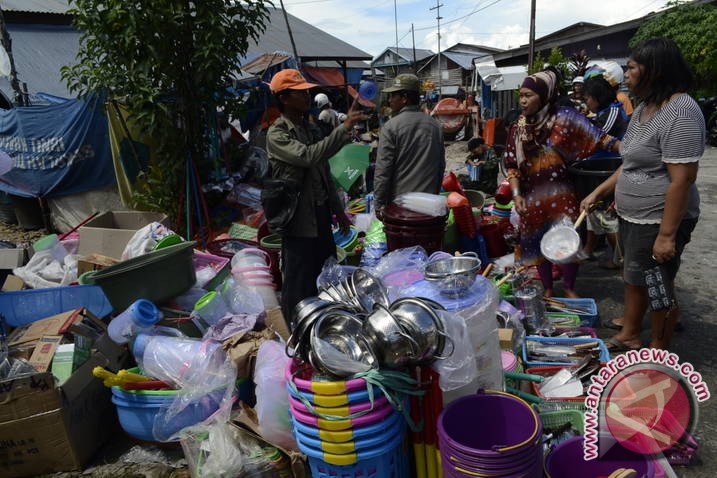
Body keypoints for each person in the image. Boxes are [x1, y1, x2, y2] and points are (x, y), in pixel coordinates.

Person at [580, 38, 704, 351]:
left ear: (656, 71)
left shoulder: (682, 111)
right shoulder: (645, 108)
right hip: (634, 216)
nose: (626, 74)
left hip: (658, 220)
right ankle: (632, 332)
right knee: (634, 276)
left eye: (632, 67)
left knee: (658, 286)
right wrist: (598, 191)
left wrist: (666, 236)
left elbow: (682, 179)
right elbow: (631, 162)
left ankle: (658, 351)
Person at [504, 68, 620, 298]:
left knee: (566, 239)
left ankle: (568, 287)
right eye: (522, 95)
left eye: (529, 95)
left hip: (562, 193)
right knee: (536, 241)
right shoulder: (518, 128)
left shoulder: (565, 117)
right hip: (531, 195)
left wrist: (628, 150)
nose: (523, 100)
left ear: (545, 95)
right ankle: (548, 287)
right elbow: (511, 164)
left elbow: (598, 137)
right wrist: (516, 195)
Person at [265, 69, 365, 325]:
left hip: (319, 213)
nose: (307, 96)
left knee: (326, 270)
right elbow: (309, 157)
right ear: (284, 98)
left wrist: (338, 210)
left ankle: (323, 322)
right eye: (300, 93)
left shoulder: (309, 128)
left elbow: (323, 172)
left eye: (307, 91)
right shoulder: (277, 134)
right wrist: (343, 129)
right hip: (297, 216)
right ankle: (295, 328)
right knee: (299, 277)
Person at [374, 74, 445, 216]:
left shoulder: (391, 127)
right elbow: (440, 166)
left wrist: (379, 204)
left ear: (404, 98)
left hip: (400, 209)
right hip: (429, 207)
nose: (390, 100)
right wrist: (434, 195)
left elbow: (383, 171)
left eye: (393, 95)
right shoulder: (435, 125)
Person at [579, 75, 628, 269]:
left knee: (605, 215)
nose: (586, 102)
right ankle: (589, 249)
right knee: (592, 210)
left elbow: (597, 136)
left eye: (587, 98)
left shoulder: (613, 112)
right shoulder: (603, 112)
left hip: (609, 169)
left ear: (597, 97)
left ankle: (621, 259)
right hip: (597, 168)